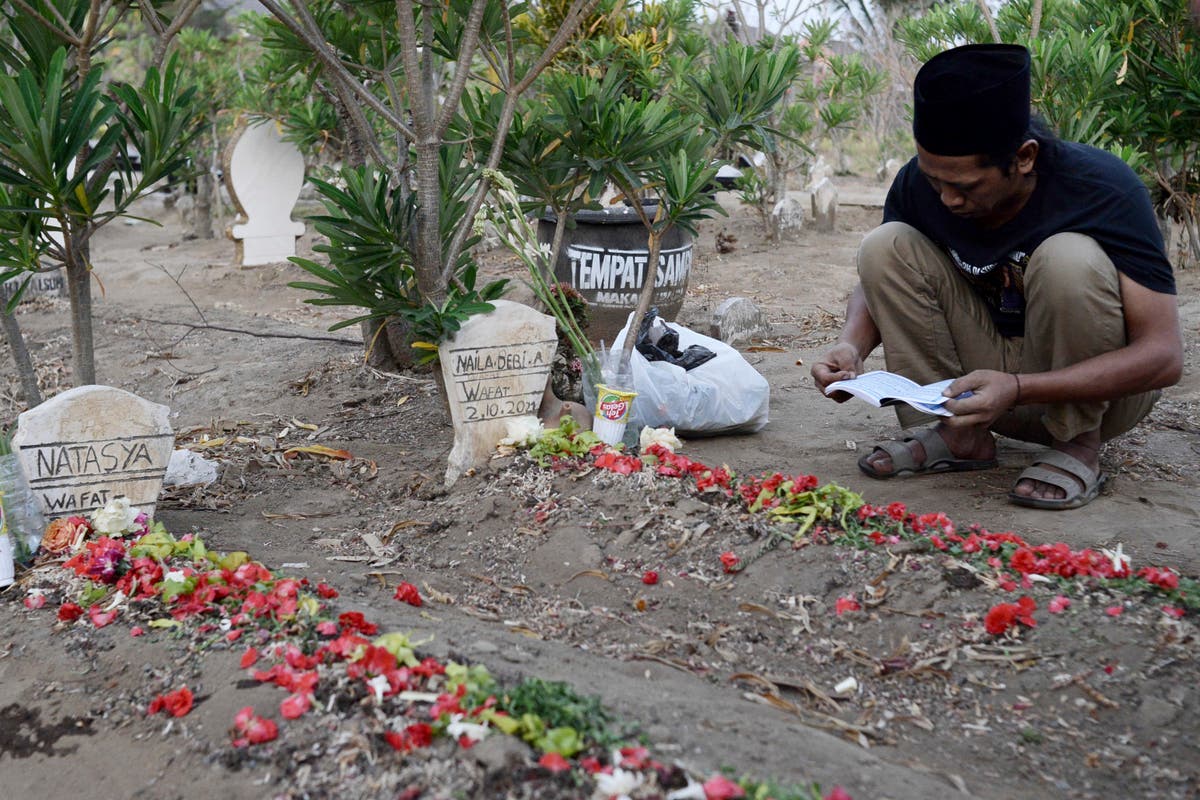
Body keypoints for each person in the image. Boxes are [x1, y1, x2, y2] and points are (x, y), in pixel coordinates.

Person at [811, 43, 1183, 510]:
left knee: (1067, 257)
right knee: (884, 244)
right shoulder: (921, 183)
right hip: (979, 393)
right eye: (935, 181)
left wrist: (1021, 388)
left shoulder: (1101, 190)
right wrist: (851, 345)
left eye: (964, 186)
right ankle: (960, 435)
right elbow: (881, 277)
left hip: (1096, 393)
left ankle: (1078, 444)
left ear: (1023, 158)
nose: (947, 200)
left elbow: (1164, 357)